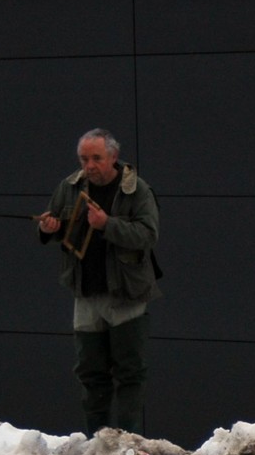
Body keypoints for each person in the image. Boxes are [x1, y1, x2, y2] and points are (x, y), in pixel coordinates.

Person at [36, 128, 161, 435]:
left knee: (129, 371)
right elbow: (57, 226)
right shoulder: (69, 186)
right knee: (90, 373)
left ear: (113, 157)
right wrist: (49, 227)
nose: (89, 165)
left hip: (126, 294)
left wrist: (108, 225)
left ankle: (129, 438)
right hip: (86, 293)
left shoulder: (137, 190)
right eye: (84, 159)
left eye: (96, 158)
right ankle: (97, 440)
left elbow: (148, 235)